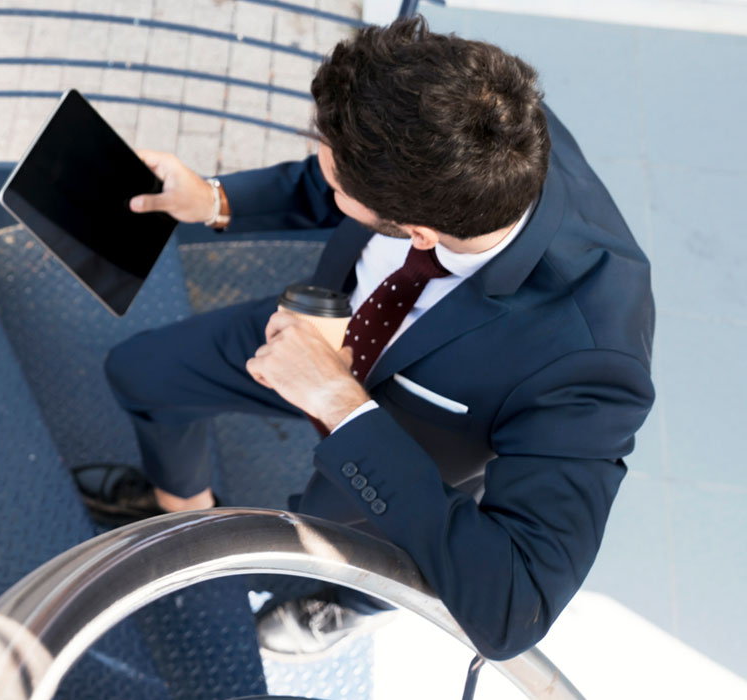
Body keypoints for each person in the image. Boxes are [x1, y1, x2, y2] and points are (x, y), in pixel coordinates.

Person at [76, 16, 655, 660]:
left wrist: (341, 405)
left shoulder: (589, 359)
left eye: (337, 186)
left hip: (407, 449)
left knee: (370, 551)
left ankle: (358, 605)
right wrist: (213, 199)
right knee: (143, 373)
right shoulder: (483, 129)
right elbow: (340, 180)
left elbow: (515, 608)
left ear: (418, 231)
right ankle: (185, 513)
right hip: (330, 321)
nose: (326, 180)